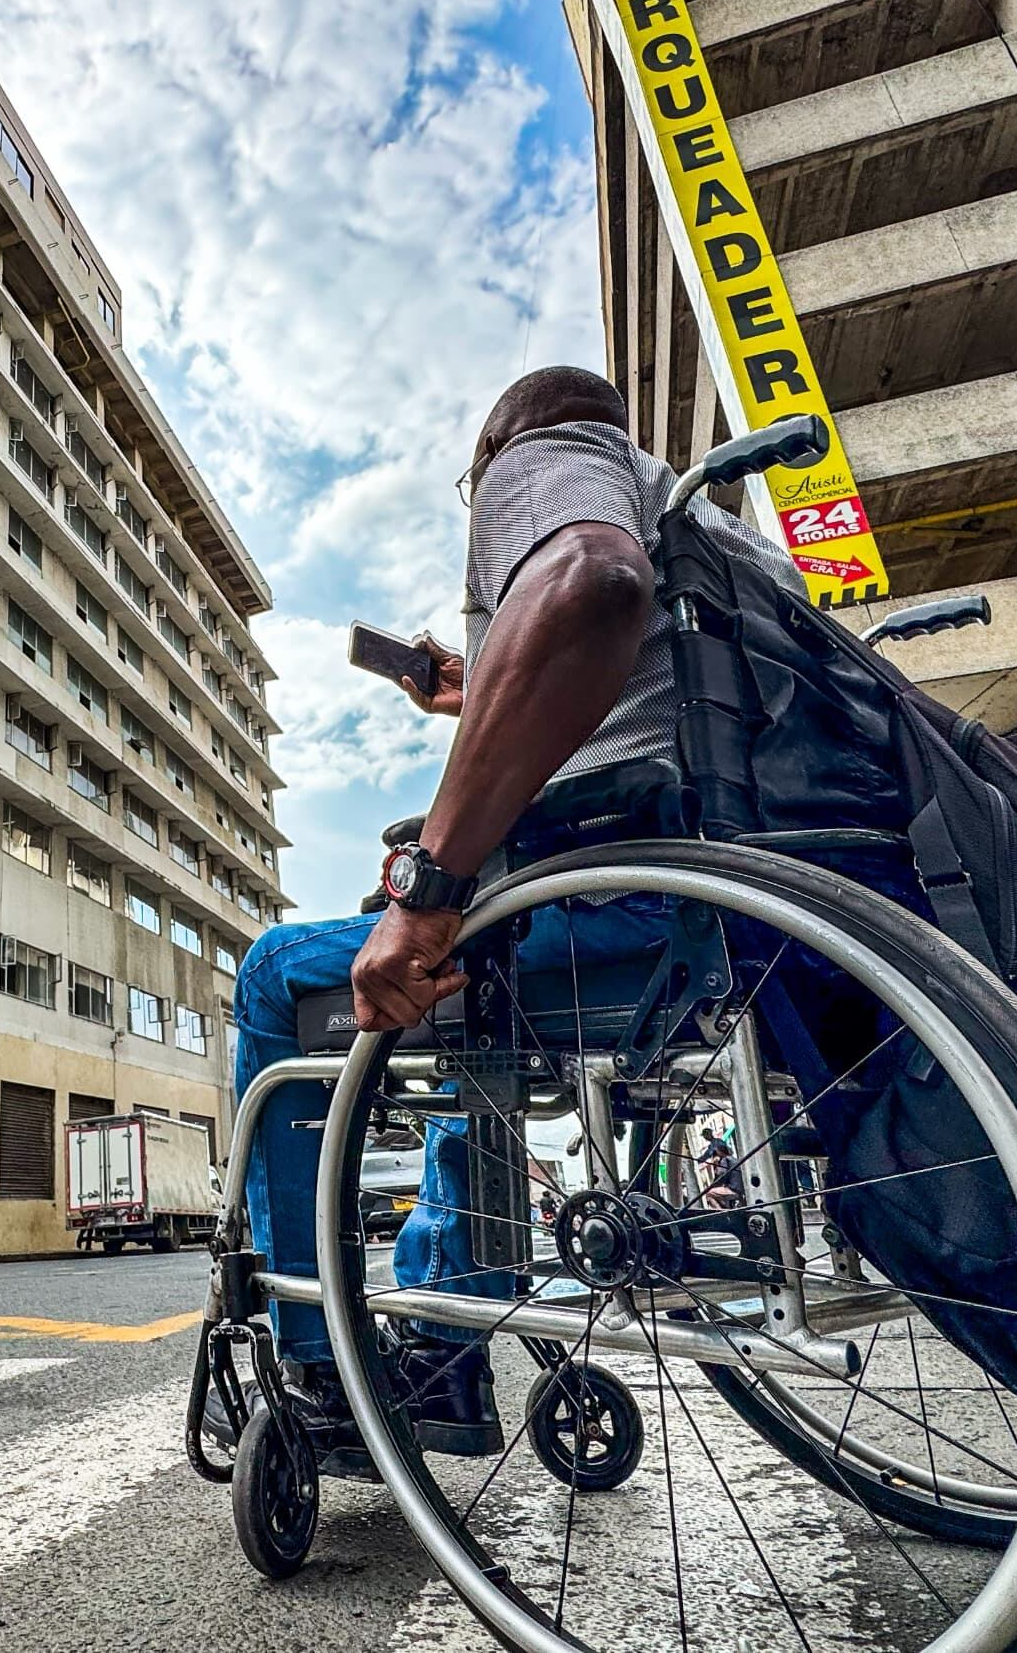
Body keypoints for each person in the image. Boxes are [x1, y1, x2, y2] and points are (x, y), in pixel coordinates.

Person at [230, 366, 810, 1453]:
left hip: (613, 911)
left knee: (276, 968)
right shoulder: (731, 546)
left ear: (496, 456)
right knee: (468, 1041)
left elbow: (588, 581)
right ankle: (448, 1334)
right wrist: (480, 679)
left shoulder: (547, 463)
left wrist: (429, 892)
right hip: (739, 927)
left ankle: (315, 1358)